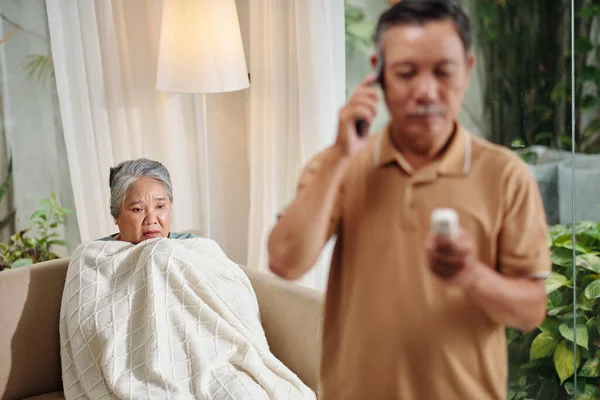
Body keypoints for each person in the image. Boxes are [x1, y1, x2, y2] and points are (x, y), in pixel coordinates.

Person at [268, 1, 551, 399]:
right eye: (405, 73)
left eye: (443, 71)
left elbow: (531, 310)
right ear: (378, 73)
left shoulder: (505, 175)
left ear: (467, 70)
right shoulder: (341, 164)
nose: (425, 91)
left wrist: (472, 276)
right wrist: (338, 156)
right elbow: (284, 261)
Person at [98, 158, 199, 243]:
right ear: (115, 215)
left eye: (160, 207)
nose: (151, 220)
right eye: (138, 209)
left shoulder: (193, 246)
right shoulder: (93, 256)